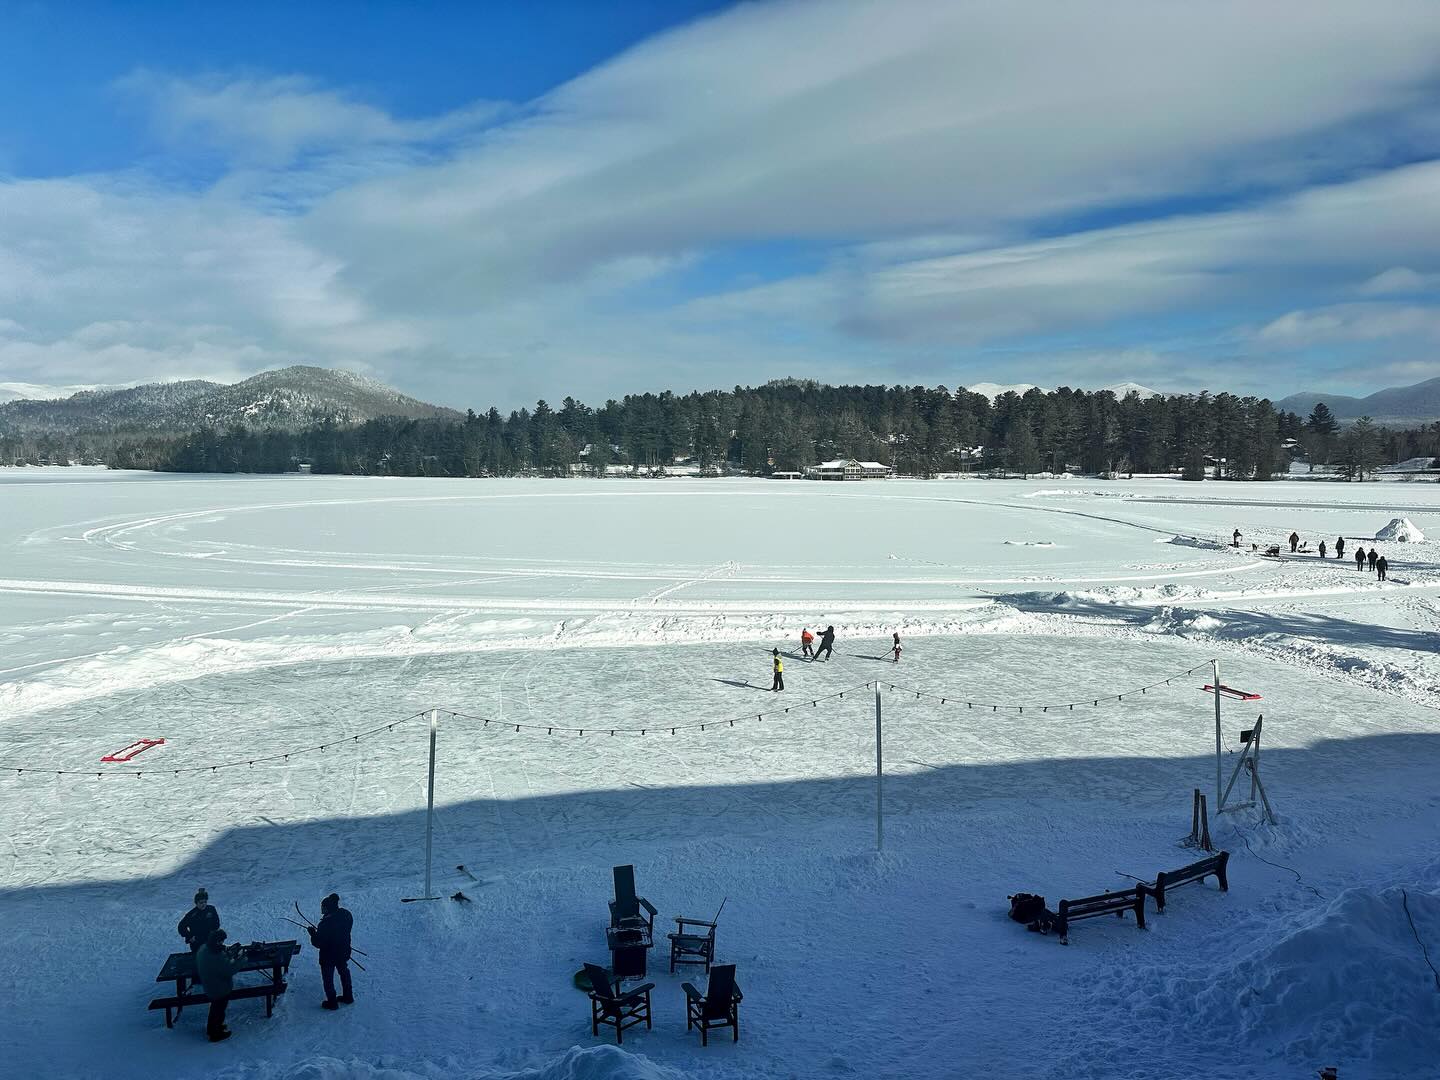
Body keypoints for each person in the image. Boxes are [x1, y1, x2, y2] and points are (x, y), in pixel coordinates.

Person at [194, 928, 243, 1043]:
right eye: (221, 941)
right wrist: (242, 959)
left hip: (210, 984)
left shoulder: (204, 948)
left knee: (215, 1008)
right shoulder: (215, 956)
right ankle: (215, 1033)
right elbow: (229, 969)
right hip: (219, 987)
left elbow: (219, 963)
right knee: (218, 1009)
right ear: (217, 941)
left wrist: (225, 952)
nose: (222, 943)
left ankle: (213, 1028)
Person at [309, 893, 354, 1010]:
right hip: (343, 951)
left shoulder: (325, 924)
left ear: (328, 908)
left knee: (328, 978)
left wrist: (313, 934)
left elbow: (318, 943)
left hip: (328, 956)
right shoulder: (346, 914)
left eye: (323, 906)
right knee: (344, 972)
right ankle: (348, 996)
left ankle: (332, 1002)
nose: (321, 908)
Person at [179, 889, 220, 954]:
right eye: (201, 902)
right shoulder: (192, 914)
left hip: (210, 940)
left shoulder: (211, 909)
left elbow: (216, 923)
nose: (204, 904)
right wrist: (189, 936)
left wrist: (214, 933)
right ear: (196, 903)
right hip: (197, 942)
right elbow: (181, 926)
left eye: (205, 902)